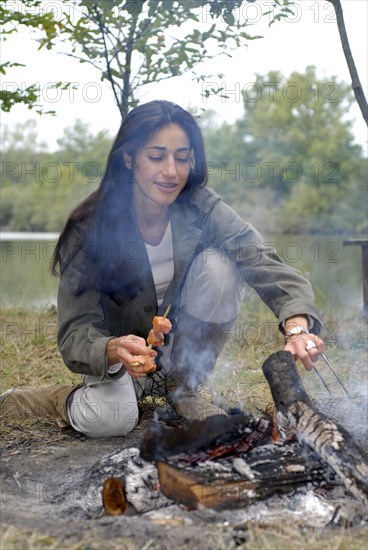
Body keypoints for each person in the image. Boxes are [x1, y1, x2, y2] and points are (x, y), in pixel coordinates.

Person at [0, 100, 324, 437]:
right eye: (156, 157)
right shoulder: (90, 229)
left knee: (221, 266)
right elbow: (74, 334)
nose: (172, 171)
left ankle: (184, 387)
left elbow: (261, 259)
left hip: (177, 353)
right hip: (119, 364)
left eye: (182, 158)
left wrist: (297, 327)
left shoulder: (202, 207)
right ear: (129, 159)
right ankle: (51, 400)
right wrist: (111, 349)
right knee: (111, 419)